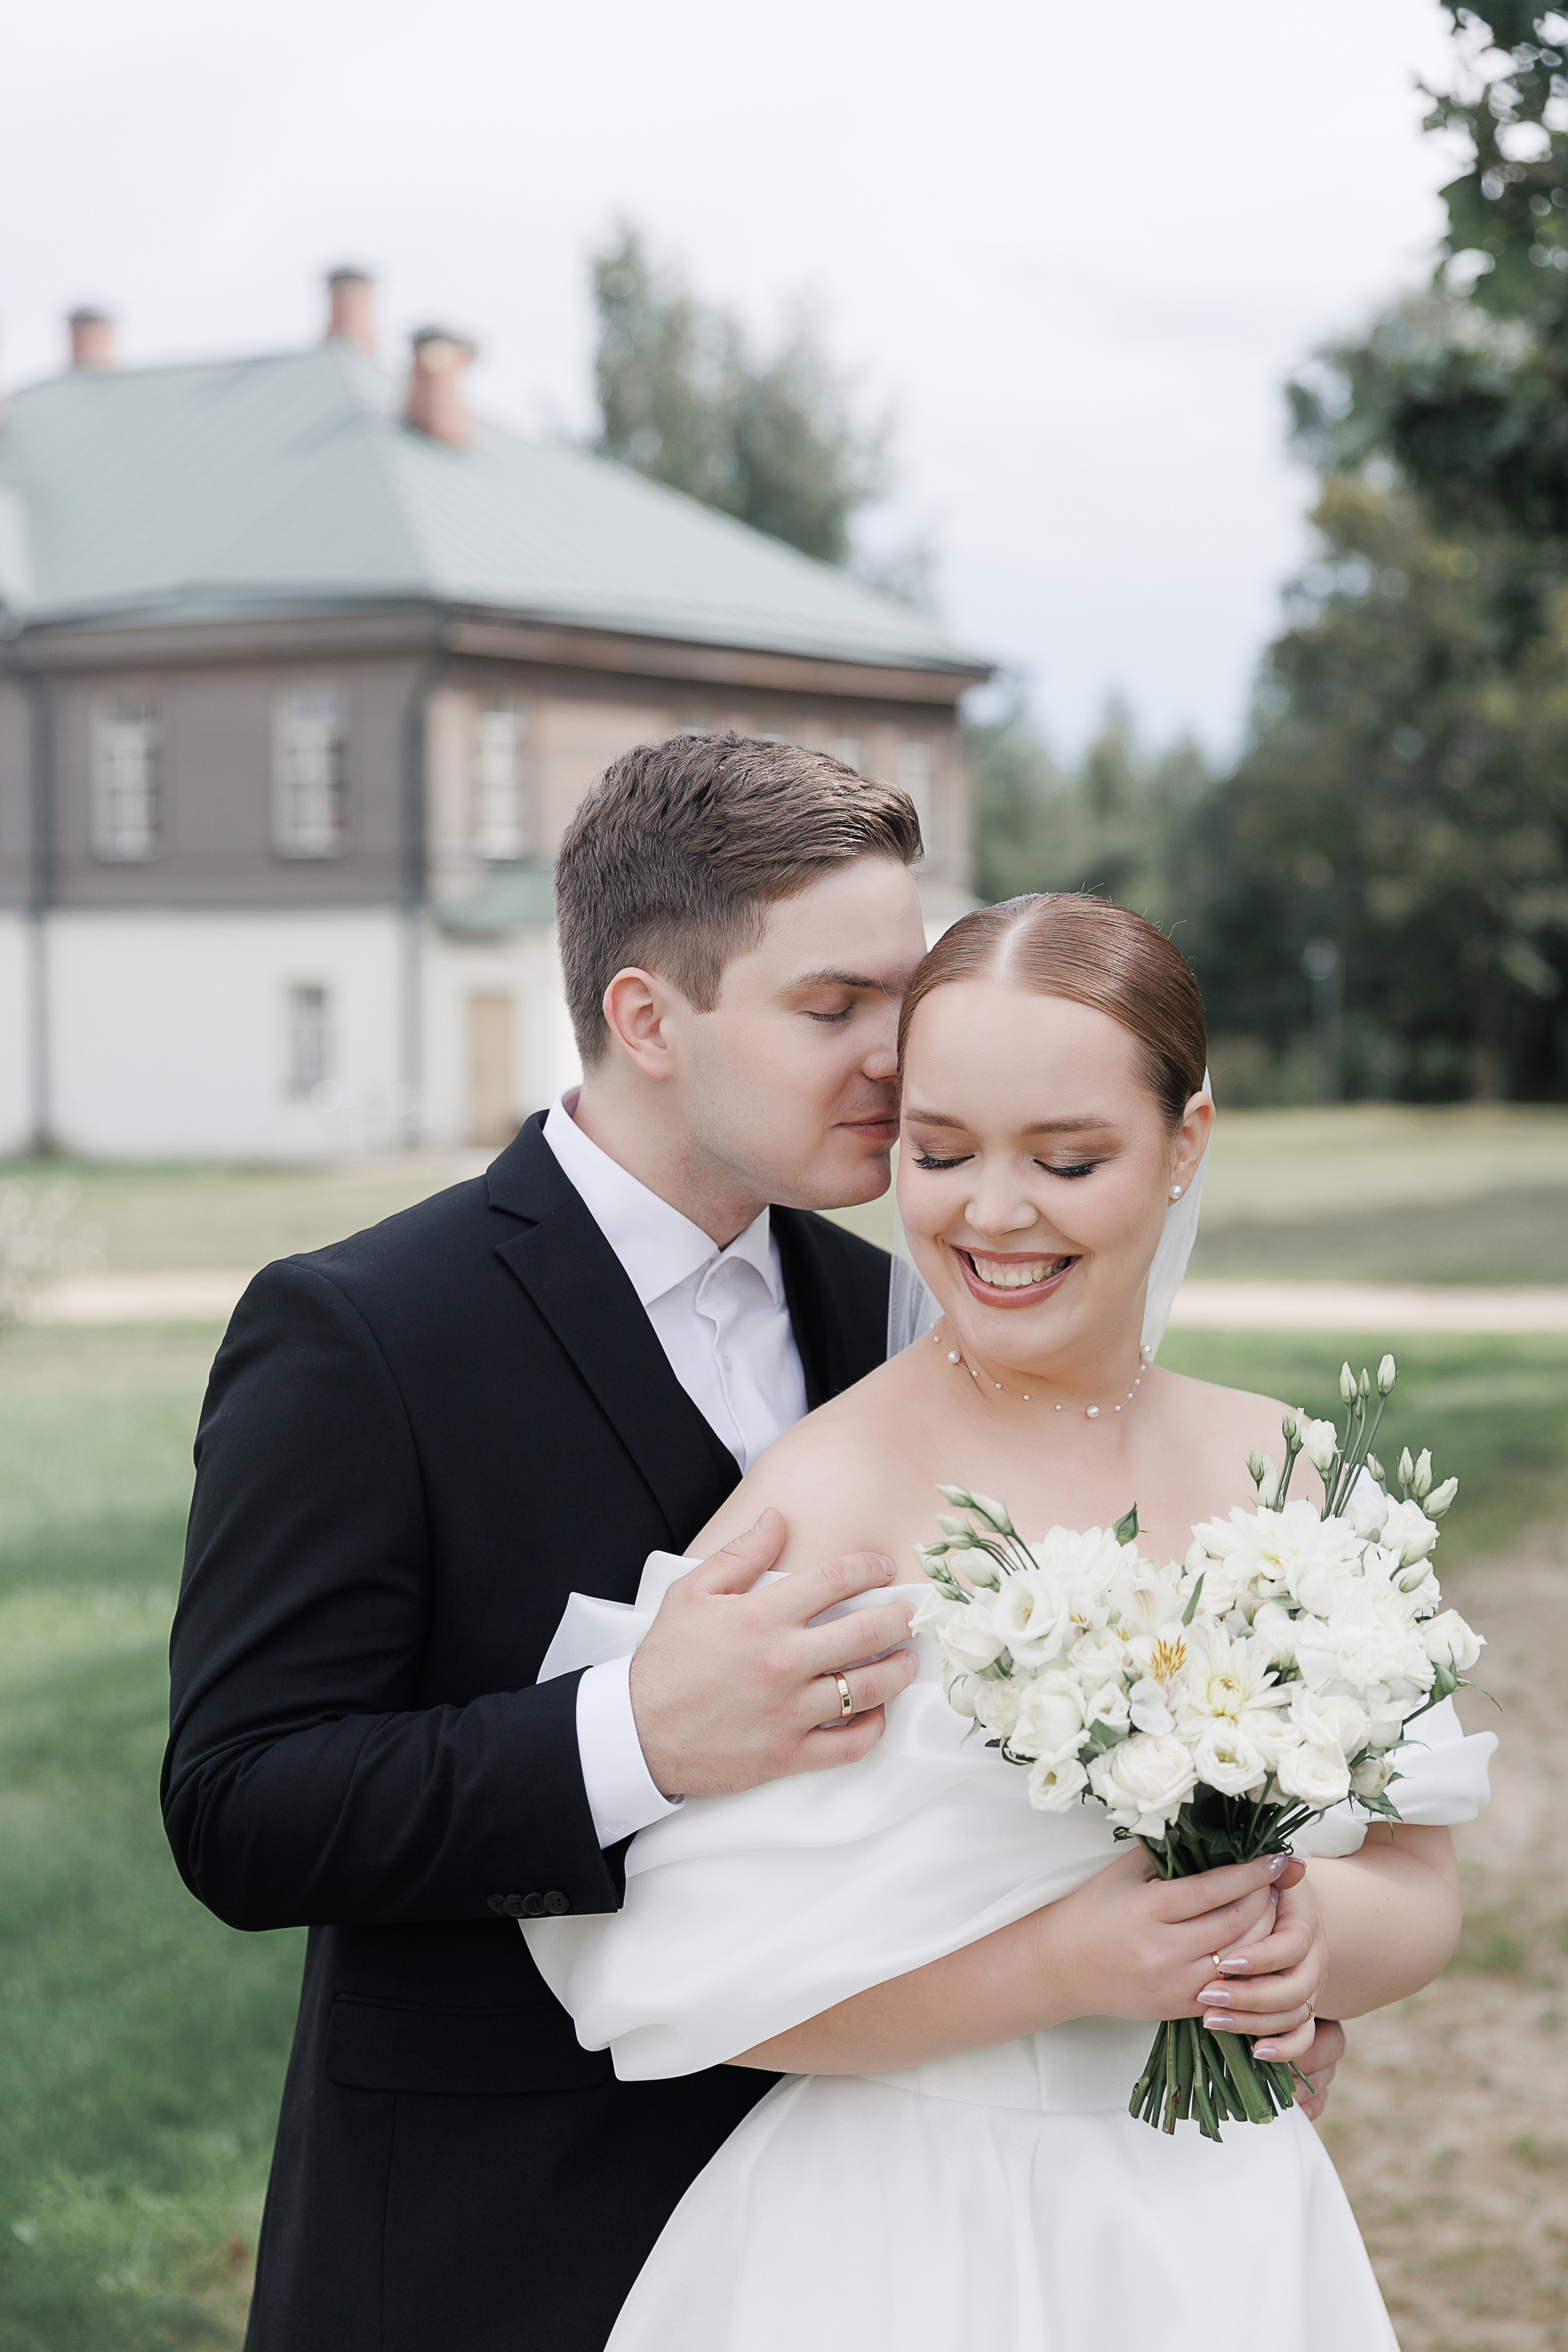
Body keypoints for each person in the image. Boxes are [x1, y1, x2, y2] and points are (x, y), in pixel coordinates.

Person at [524, 893, 1495, 2352]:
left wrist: (1298, 1939)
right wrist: (1062, 1970)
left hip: (1216, 2230)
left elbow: (1420, 1890)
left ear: (1186, 1144)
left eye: (1066, 1158)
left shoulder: (1295, 1472)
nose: (990, 1212)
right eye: (937, 1151)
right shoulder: (825, 1500)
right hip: (902, 2237)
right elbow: (677, 1975)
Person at [162, 734, 945, 2352]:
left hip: (849, 2218)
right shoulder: (359, 1333)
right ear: (646, 1018)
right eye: (832, 1007)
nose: (899, 1059)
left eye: (908, 999)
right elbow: (242, 1807)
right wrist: (635, 1738)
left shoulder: (887, 1314)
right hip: (485, 2246)